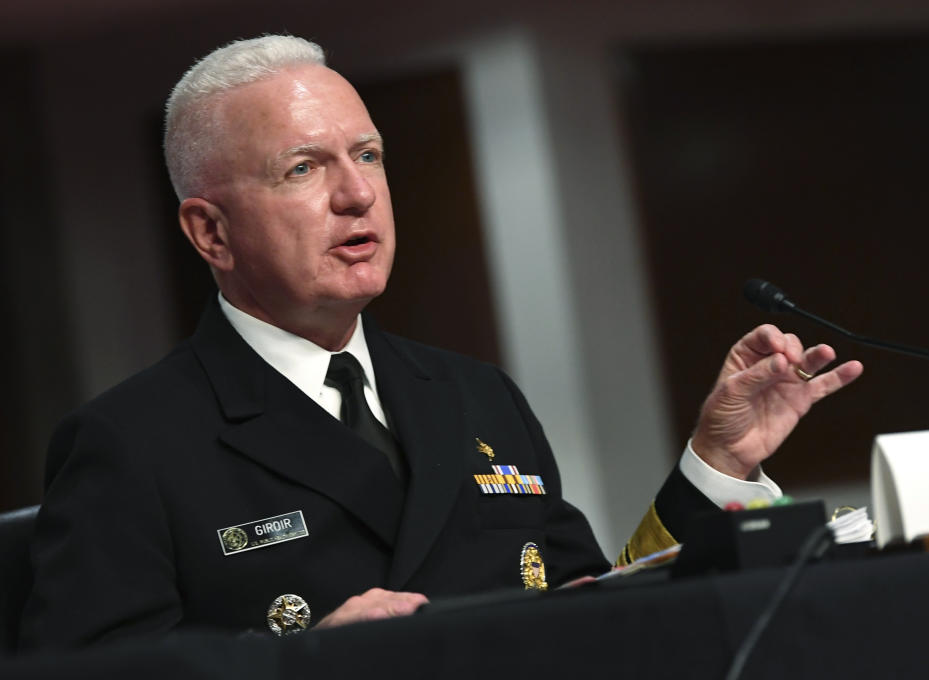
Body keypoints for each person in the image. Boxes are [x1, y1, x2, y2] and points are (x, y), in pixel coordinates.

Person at [19, 35, 862, 648]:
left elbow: (593, 608)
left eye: (369, 155)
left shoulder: (473, 395)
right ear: (210, 233)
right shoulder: (132, 443)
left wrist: (715, 464)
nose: (357, 195)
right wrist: (288, 663)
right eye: (305, 169)